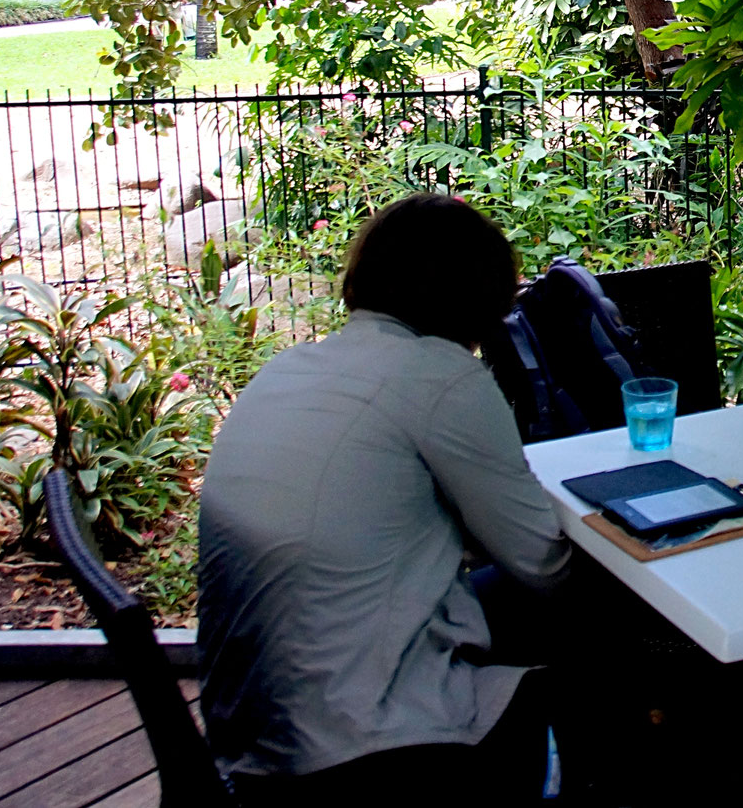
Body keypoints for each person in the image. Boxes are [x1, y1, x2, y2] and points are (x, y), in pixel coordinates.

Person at [198, 193, 574, 803]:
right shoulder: (441, 377)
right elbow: (547, 567)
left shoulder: (291, 369)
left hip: (252, 737)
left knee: (502, 600)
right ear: (480, 293)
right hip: (363, 753)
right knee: (595, 661)